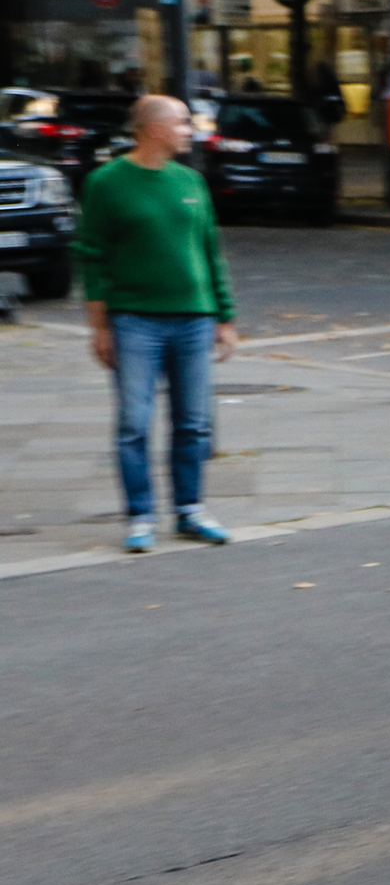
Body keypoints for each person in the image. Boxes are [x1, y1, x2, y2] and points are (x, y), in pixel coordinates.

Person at [72, 94, 238, 553]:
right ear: (153, 129)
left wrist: (224, 315)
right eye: (183, 123)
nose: (190, 130)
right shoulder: (106, 183)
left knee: (194, 422)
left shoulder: (191, 181)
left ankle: (190, 509)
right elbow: (92, 258)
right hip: (135, 321)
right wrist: (99, 326)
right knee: (134, 423)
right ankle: (140, 515)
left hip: (194, 318)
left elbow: (211, 249)